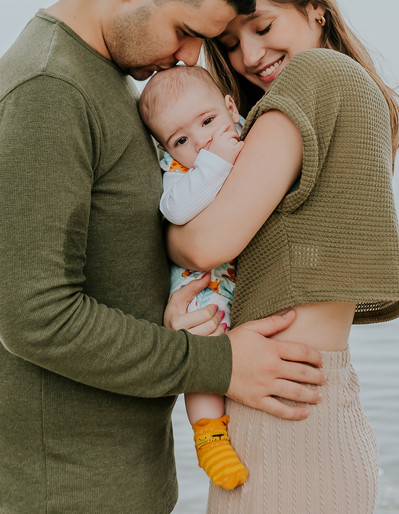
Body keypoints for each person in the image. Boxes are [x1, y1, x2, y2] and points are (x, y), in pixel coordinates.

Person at [0, 0, 328, 514]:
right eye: (185, 31)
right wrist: (216, 363)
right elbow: (34, 317)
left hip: (120, 480)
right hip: (56, 492)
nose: (187, 57)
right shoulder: (46, 90)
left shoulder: (108, 82)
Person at [167, 0, 399, 513]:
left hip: (287, 417)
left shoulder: (317, 77)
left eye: (262, 26)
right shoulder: (348, 96)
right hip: (299, 403)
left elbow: (207, 245)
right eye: (229, 44)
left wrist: (175, 239)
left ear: (315, 9)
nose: (249, 56)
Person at [138, 65, 249, 490]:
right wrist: (217, 161)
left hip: (249, 283)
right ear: (167, 149)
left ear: (229, 107)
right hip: (204, 286)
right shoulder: (180, 174)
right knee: (202, 355)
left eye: (207, 122)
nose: (200, 140)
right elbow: (178, 211)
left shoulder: (251, 138)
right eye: (181, 139)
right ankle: (210, 437)